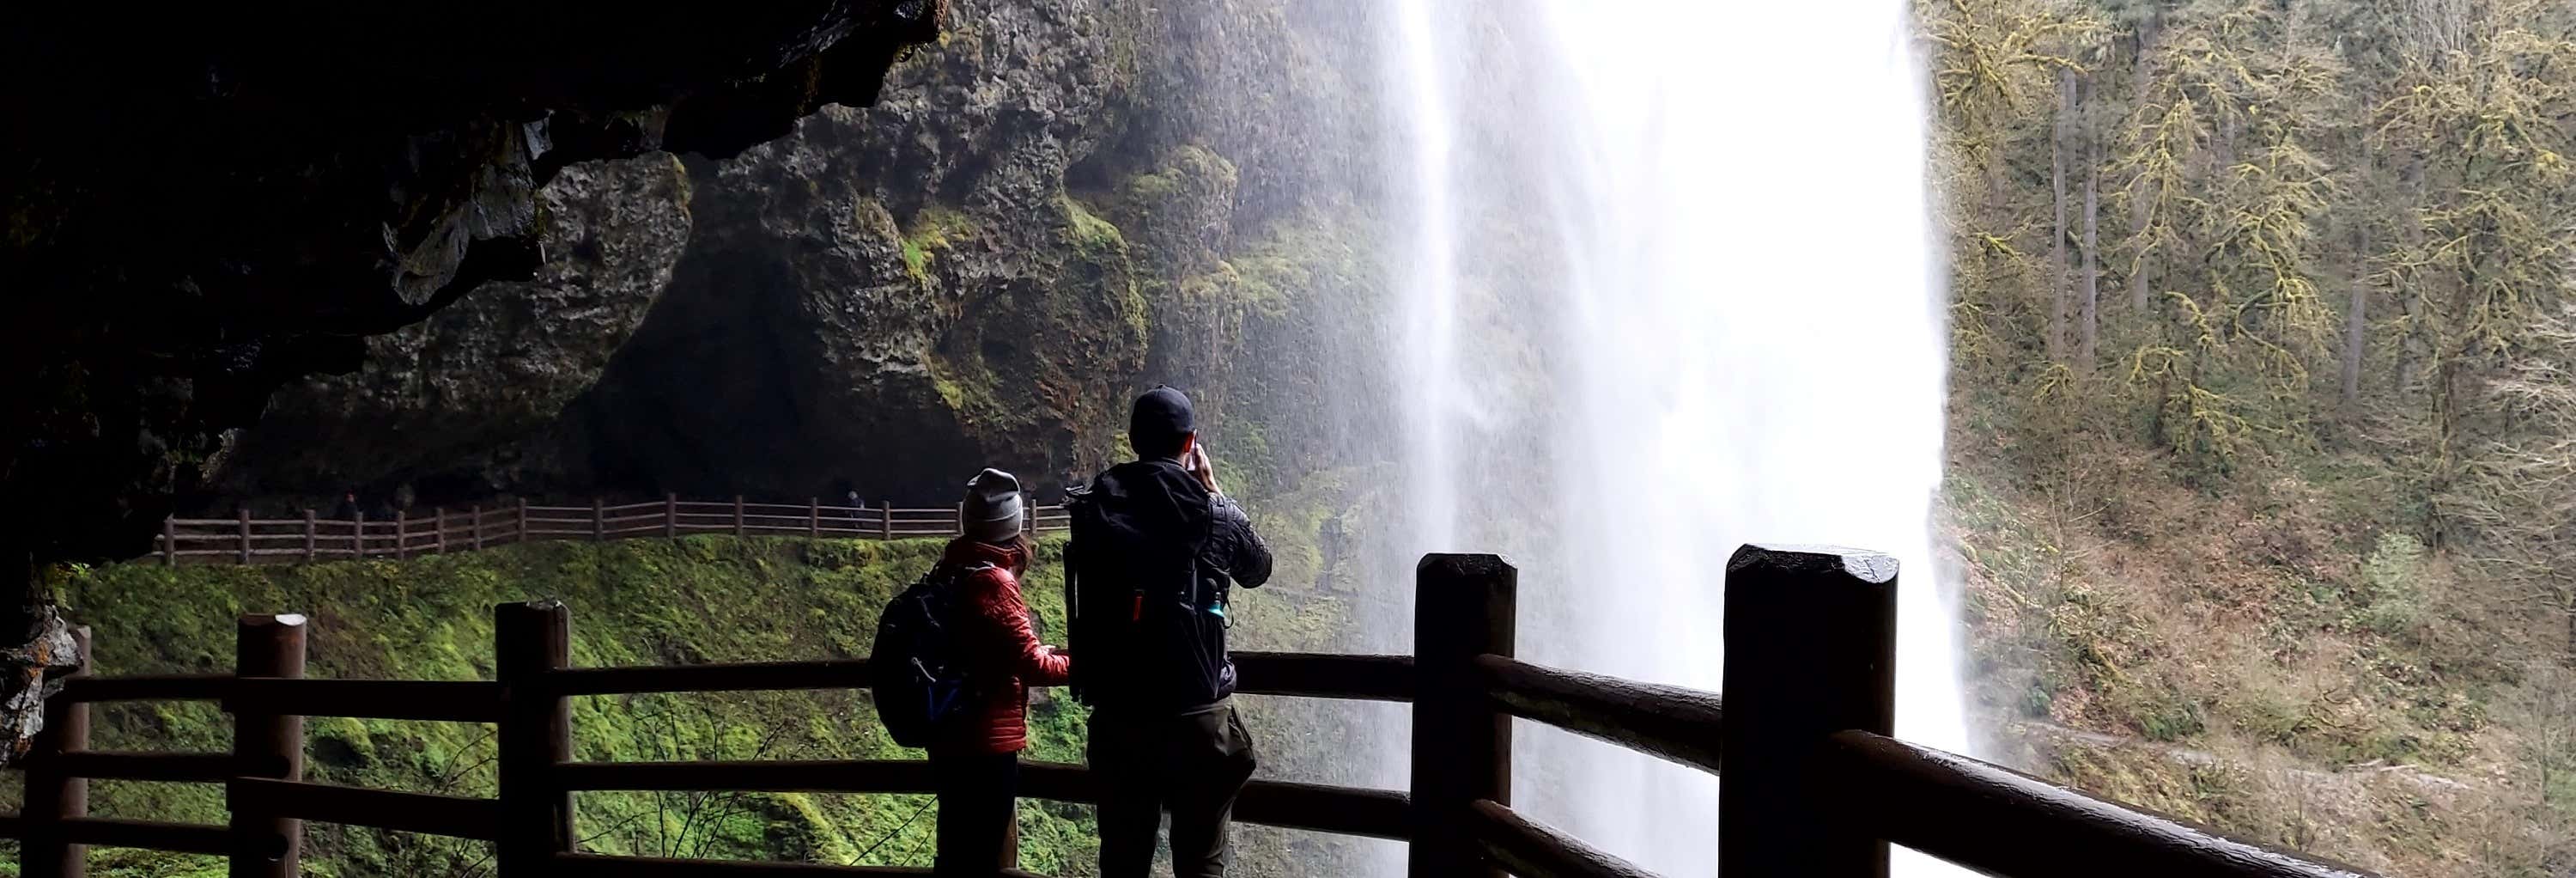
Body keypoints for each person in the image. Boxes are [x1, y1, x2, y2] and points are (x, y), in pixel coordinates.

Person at [1066, 386, 1273, 878]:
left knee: (1122, 859)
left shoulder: (1093, 508)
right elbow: (1258, 567)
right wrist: (1212, 490)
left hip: (1120, 716)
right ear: (1192, 442)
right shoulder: (1210, 512)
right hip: (1197, 720)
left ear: (1134, 438)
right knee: (1201, 863)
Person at [927, 468, 1069, 877]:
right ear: (1013, 526)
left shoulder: (951, 568)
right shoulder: (993, 579)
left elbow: (993, 644)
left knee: (955, 844)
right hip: (986, 738)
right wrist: (1088, 665)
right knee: (983, 853)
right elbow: (1032, 662)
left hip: (950, 732)